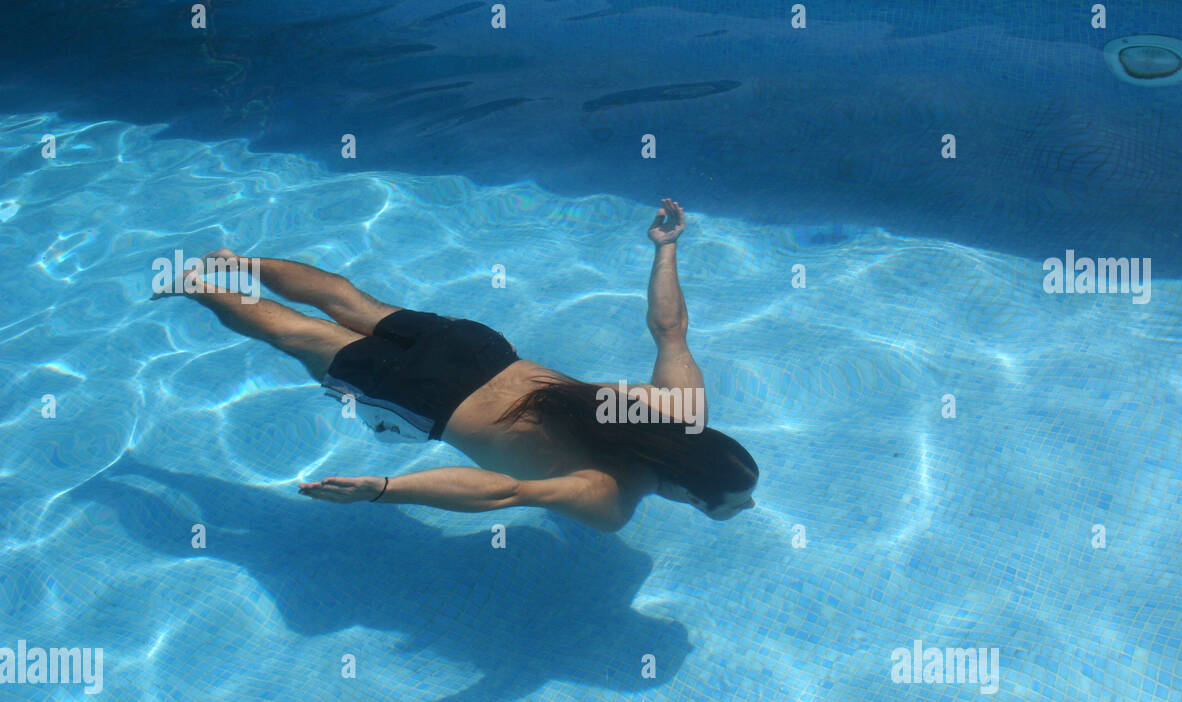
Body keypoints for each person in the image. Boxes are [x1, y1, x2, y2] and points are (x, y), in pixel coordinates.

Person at [154, 199, 758, 531]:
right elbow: (505, 493)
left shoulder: (677, 410)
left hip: (479, 350)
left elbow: (670, 329)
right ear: (689, 491)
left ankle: (237, 262)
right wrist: (386, 490)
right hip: (427, 398)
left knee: (352, 303)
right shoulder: (612, 498)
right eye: (726, 503)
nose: (745, 508)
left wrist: (667, 247)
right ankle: (194, 284)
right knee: (296, 333)